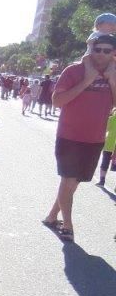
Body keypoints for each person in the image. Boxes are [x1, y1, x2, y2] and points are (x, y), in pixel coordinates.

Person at [42, 32, 116, 241]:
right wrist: (87, 80)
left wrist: (112, 80)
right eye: (97, 49)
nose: (100, 54)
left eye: (106, 51)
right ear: (91, 49)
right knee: (68, 180)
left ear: (114, 53)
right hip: (69, 136)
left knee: (74, 183)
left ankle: (51, 216)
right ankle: (67, 225)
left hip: (95, 138)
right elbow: (57, 101)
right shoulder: (73, 71)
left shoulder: (114, 73)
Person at [98, 107, 116, 187]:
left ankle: (102, 181)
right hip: (111, 146)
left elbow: (104, 130)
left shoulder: (112, 119)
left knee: (105, 162)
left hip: (109, 145)